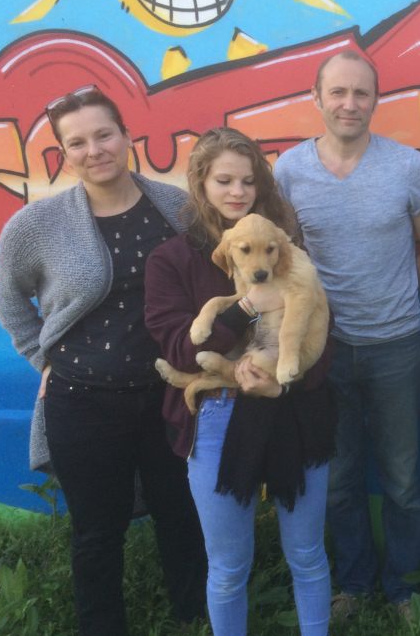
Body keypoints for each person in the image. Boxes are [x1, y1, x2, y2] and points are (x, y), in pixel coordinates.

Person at [0, 85, 206, 635]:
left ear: (126, 135)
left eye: (103, 134)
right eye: (77, 142)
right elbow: (9, 297)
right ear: (64, 154)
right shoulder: (36, 226)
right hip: (83, 401)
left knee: (182, 514)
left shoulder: (177, 209)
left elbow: (206, 284)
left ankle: (195, 617)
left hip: (169, 396)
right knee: (96, 530)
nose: (95, 150)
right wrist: (43, 360)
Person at [273, 50, 420, 617]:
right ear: (317, 98)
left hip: (395, 345)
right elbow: (284, 256)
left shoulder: (406, 167)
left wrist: (396, 294)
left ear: (377, 99)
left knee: (401, 477)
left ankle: (404, 587)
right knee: (340, 477)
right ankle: (353, 583)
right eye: (339, 93)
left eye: (362, 94)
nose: (350, 104)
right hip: (321, 351)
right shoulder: (289, 171)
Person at [143, 127, 338, 634]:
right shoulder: (174, 260)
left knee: (308, 554)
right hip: (217, 416)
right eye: (223, 180)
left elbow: (322, 336)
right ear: (201, 184)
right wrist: (249, 305)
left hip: (293, 409)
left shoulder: (283, 247)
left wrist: (284, 384)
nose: (237, 192)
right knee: (228, 566)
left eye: (248, 181)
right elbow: (183, 349)